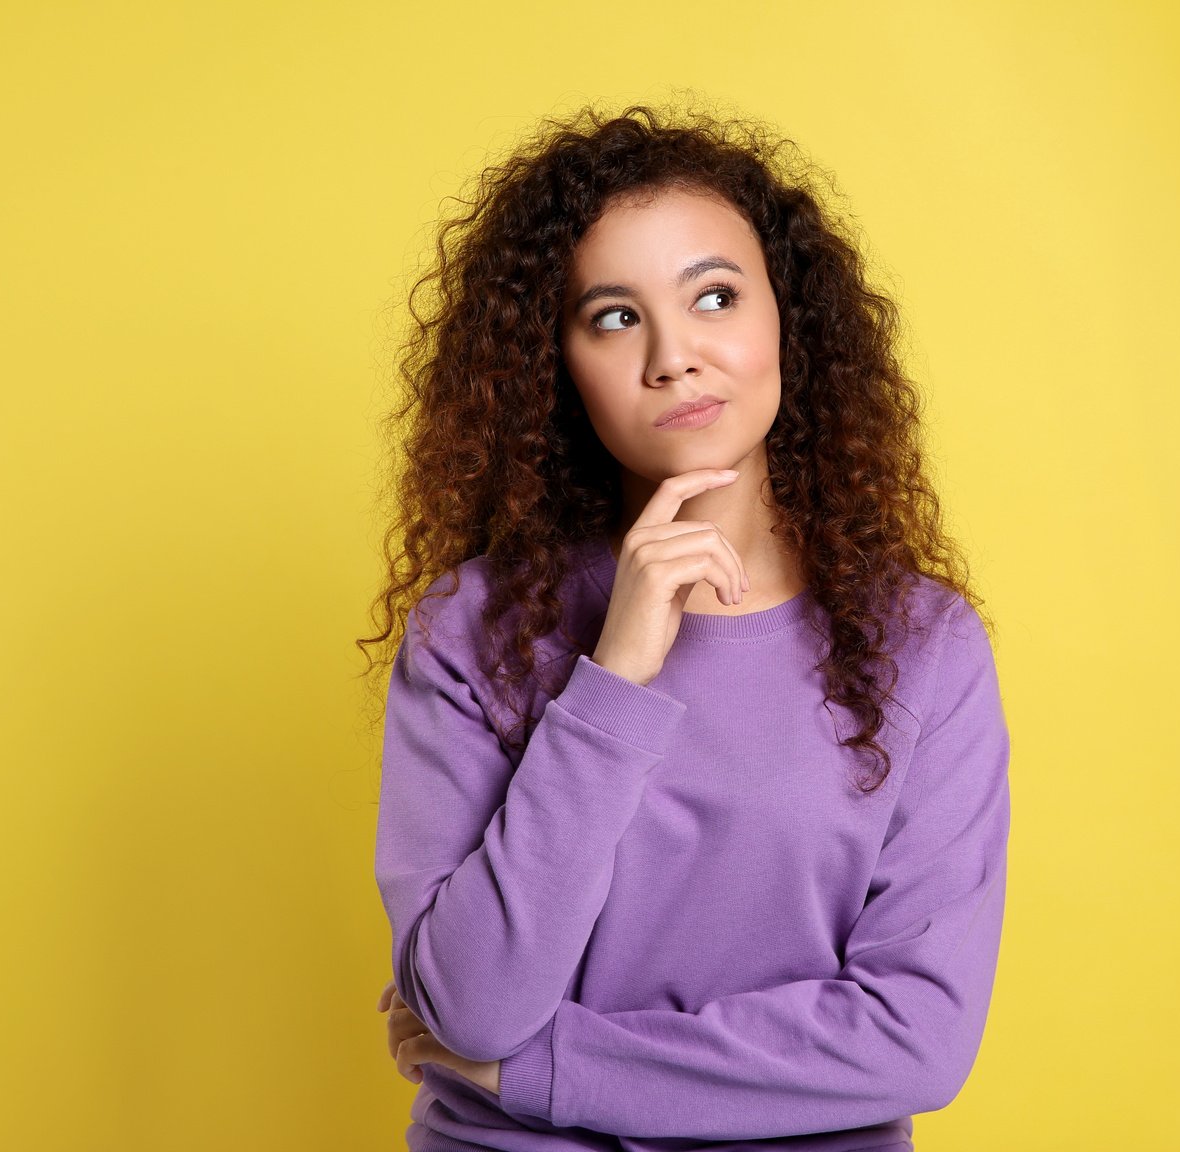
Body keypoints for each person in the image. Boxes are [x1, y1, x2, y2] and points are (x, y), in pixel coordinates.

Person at [361, 101, 1012, 1151]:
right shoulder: (470, 630)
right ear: (554, 365)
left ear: (786, 321)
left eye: (714, 297)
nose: (675, 356)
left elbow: (916, 1038)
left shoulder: (923, 646)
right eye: (614, 317)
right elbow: (472, 1004)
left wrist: (537, 1070)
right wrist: (614, 674)